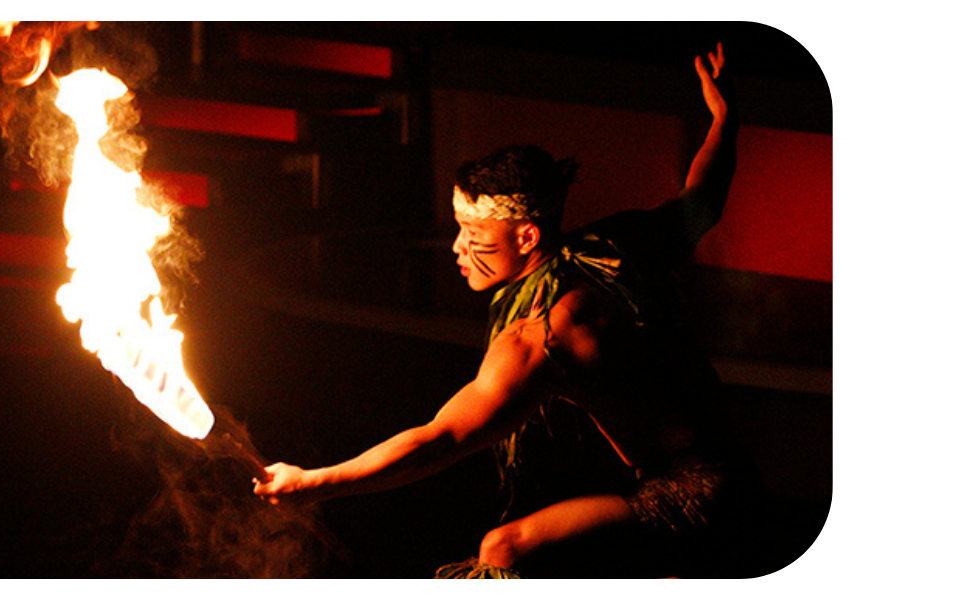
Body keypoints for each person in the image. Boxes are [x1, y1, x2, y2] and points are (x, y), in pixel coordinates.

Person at [254, 43, 761, 578]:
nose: (457, 248)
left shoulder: (543, 335)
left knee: (504, 550)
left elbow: (440, 440)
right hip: (722, 476)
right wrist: (725, 119)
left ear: (527, 235)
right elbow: (703, 194)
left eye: (473, 235)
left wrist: (316, 481)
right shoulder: (619, 244)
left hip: (700, 501)